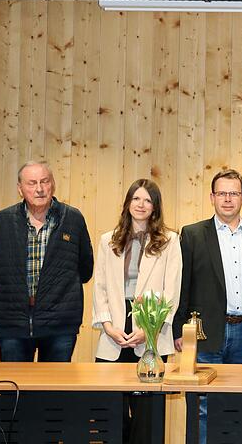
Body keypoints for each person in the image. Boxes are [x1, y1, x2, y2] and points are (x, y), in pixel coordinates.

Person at [172, 169, 242, 443]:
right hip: (204, 332)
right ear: (212, 197)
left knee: (237, 404)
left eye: (234, 193)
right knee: (203, 405)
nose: (228, 199)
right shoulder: (192, 235)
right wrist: (179, 328)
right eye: (222, 193)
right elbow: (183, 285)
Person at [92, 178, 181, 444]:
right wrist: (107, 325)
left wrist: (149, 329)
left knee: (148, 416)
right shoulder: (108, 240)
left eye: (147, 200)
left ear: (155, 207)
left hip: (151, 332)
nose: (141, 205)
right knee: (110, 410)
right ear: (128, 203)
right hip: (115, 331)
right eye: (136, 198)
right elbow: (100, 287)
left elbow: (171, 291)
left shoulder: (169, 241)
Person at [0, 160, 93, 362]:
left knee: (54, 390)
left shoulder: (73, 218)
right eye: (32, 183)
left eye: (44, 181)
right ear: (20, 189)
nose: (39, 189)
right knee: (14, 387)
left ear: (52, 184)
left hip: (60, 324)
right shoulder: (3, 220)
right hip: (13, 322)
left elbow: (85, 268)